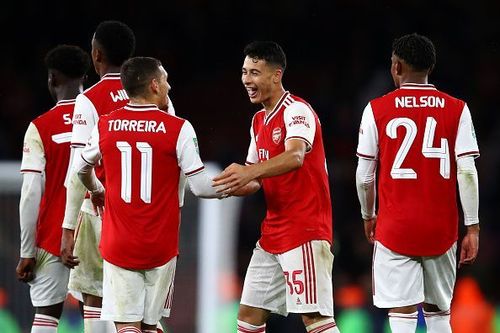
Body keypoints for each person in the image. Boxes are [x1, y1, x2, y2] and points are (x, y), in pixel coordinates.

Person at [74, 56, 221, 333]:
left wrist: (96, 190)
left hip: (120, 243)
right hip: (161, 246)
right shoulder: (178, 127)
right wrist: (240, 182)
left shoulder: (106, 124)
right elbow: (201, 187)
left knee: (128, 327)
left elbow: (81, 168)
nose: (168, 85)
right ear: (154, 84)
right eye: (165, 80)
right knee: (150, 326)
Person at [355, 33, 480, 333]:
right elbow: (467, 172)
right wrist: (472, 226)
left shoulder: (376, 109)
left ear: (397, 67)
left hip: (395, 227)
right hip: (441, 228)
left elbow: (364, 175)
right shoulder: (457, 109)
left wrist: (367, 214)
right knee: (439, 314)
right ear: (430, 68)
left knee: (402, 313)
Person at [213, 41, 341, 333]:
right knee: (248, 317)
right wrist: (224, 186)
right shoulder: (258, 120)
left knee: (315, 318)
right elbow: (255, 179)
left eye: (255, 72)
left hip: (304, 229)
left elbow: (296, 156)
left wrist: (248, 172)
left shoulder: (297, 110)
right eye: (244, 72)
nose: (247, 80)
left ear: (276, 75)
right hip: (273, 234)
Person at [60, 20, 137, 332]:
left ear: (97, 55)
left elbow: (77, 168)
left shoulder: (88, 100)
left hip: (100, 209)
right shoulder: (155, 93)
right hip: (142, 212)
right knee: (136, 295)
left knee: (93, 293)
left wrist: (67, 228)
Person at [16, 44, 90, 332]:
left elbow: (31, 192)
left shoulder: (41, 127)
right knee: (100, 312)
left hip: (53, 237)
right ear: (85, 76)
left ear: (52, 78)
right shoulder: (103, 120)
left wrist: (27, 252)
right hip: (97, 230)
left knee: (46, 316)